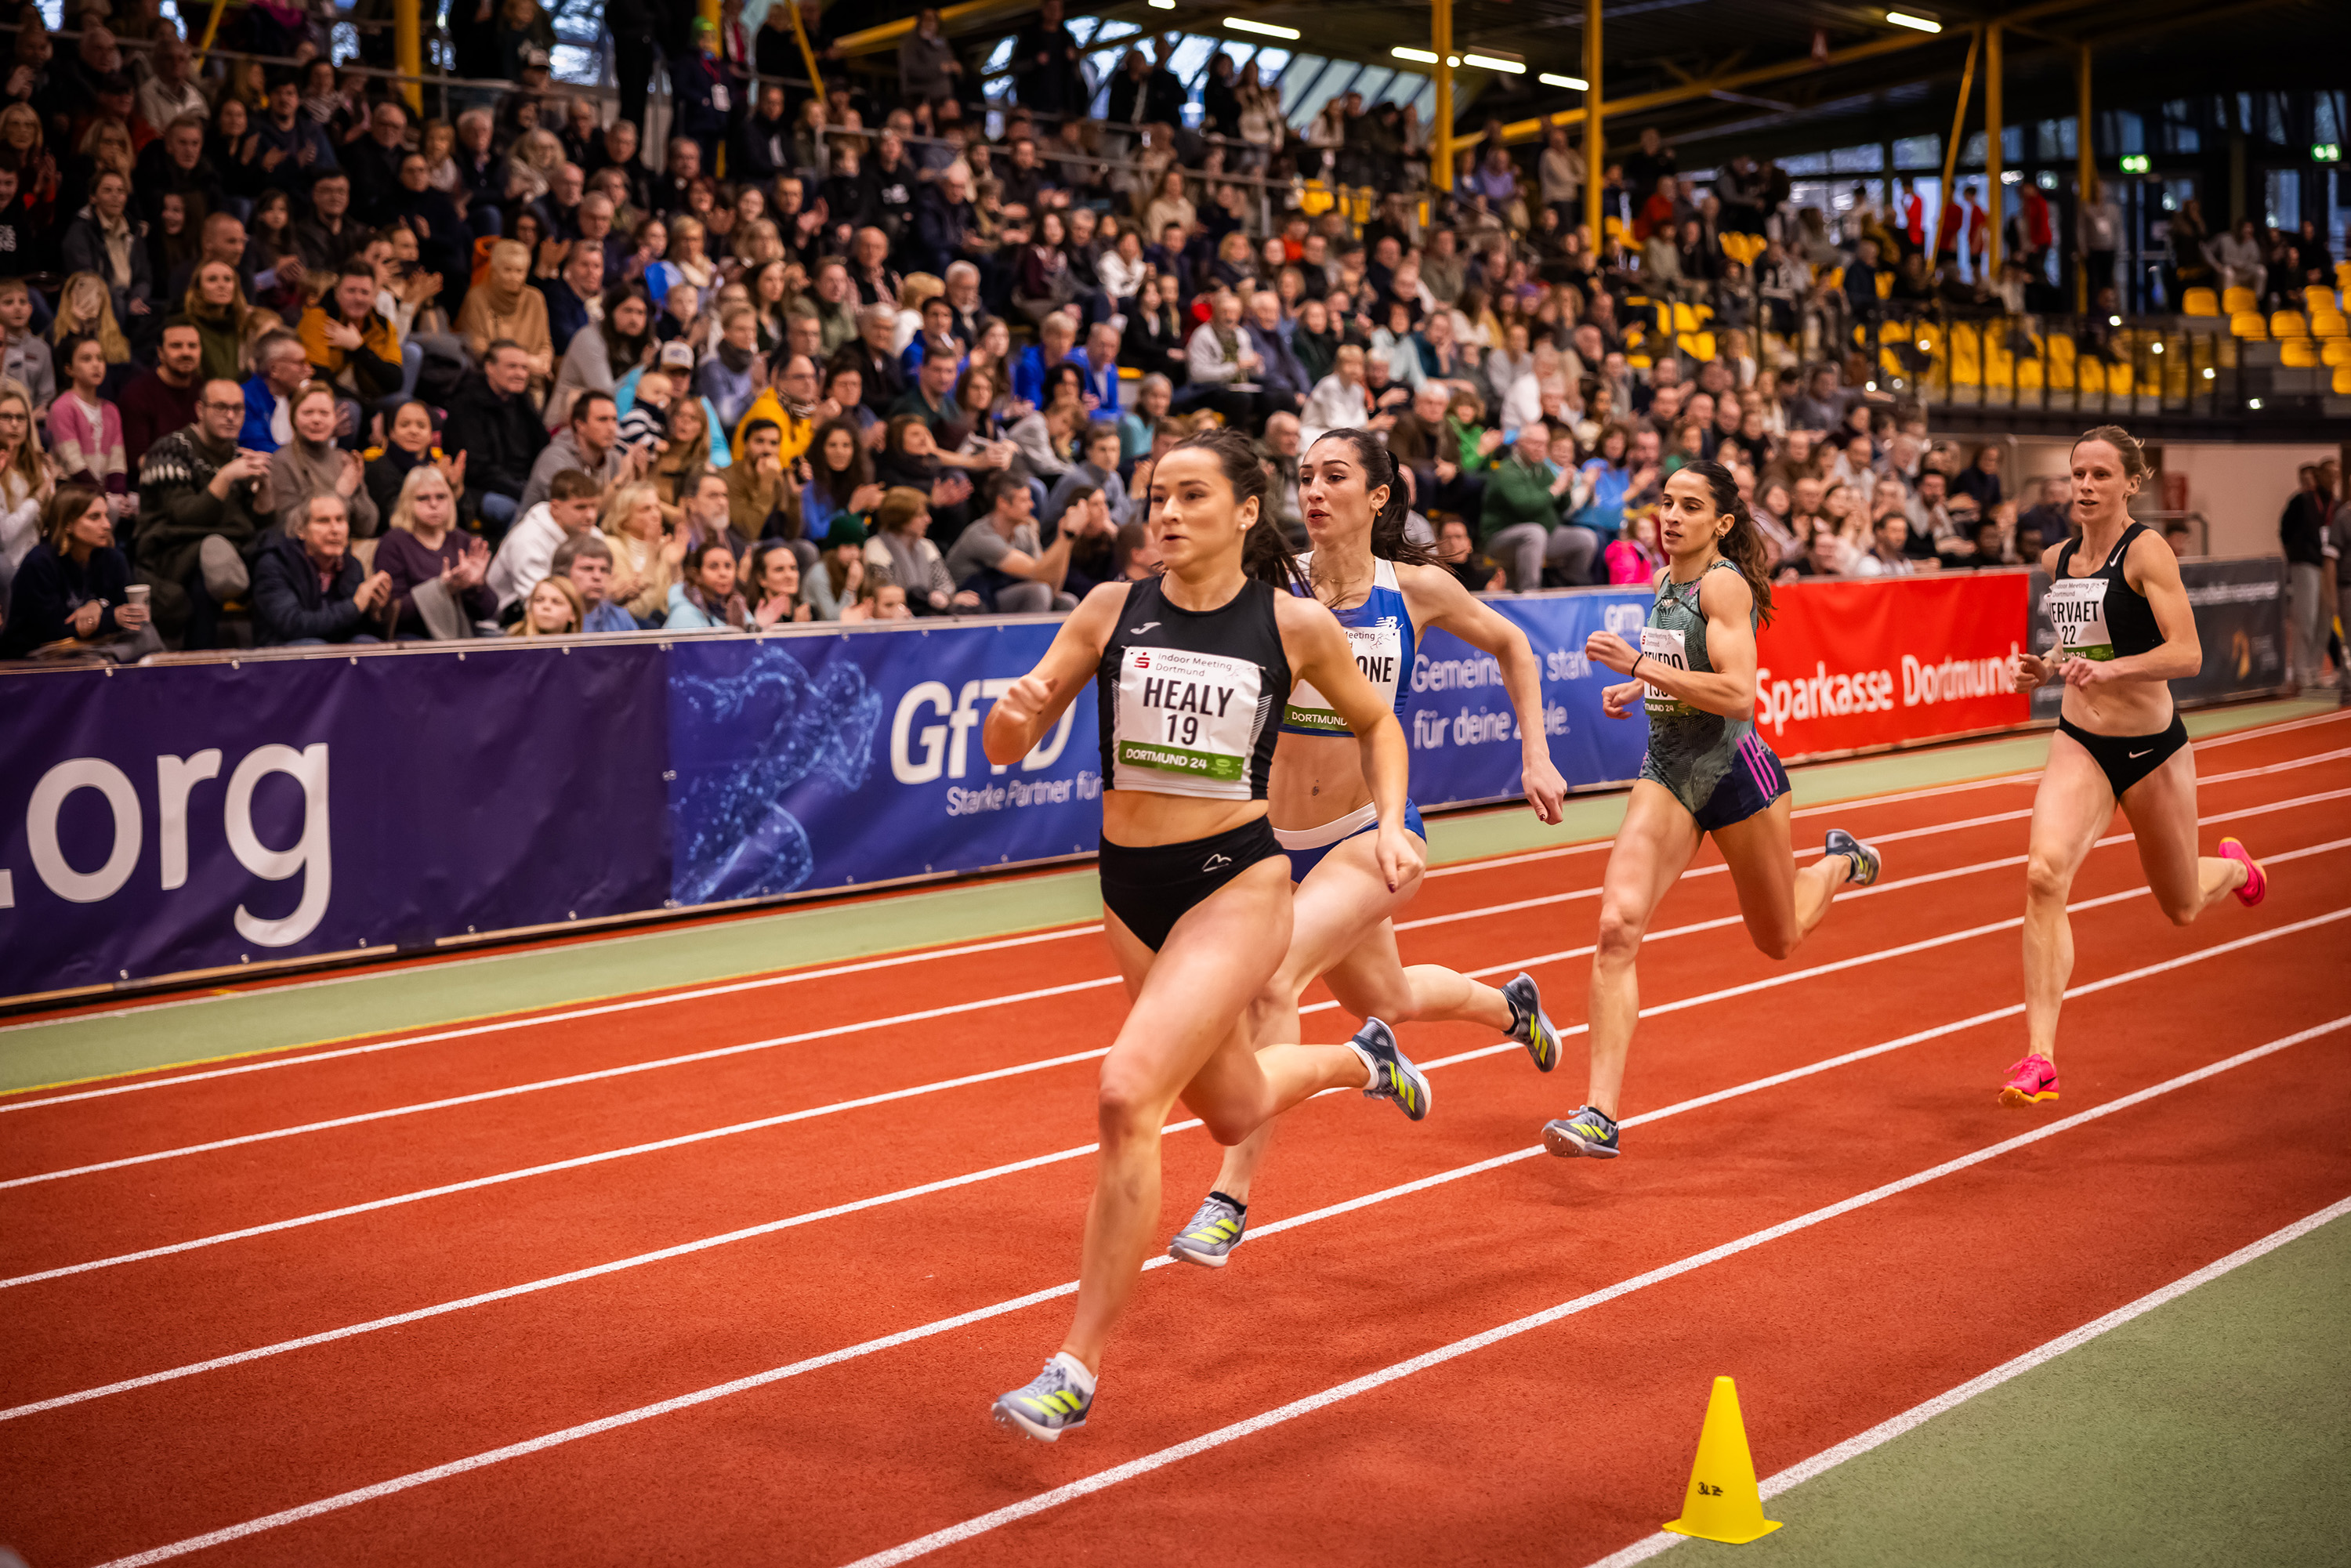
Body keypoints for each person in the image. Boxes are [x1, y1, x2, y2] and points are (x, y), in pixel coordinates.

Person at [980, 426, 1424, 1440]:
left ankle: (1073, 1367)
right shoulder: (1109, 609)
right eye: (1155, 496)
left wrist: (1391, 822)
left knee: (1130, 1091)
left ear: (1243, 511)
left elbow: (1377, 721)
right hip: (1128, 888)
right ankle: (1364, 1062)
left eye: (1189, 496)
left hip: (1237, 881)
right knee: (1233, 1105)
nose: (1167, 514)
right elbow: (1010, 743)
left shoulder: (1295, 624)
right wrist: (1016, 713)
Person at [1165, 429, 1570, 1268]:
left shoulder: (1415, 589)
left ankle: (1228, 1198)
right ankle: (1511, 1009)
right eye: (1305, 477)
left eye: (1335, 477)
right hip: (1270, 841)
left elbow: (1513, 645)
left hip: (1372, 834)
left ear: (1379, 495)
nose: (1314, 491)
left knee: (1272, 978)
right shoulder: (1268, 583)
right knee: (1388, 994)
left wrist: (1535, 753)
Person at [1541, 460, 1880, 1161]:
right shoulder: (1666, 579)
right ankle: (1600, 1113)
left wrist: (1638, 669)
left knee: (1779, 938)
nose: (1670, 515)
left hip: (1734, 773)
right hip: (1666, 770)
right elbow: (1685, 668)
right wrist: (1646, 695)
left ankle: (1842, 860)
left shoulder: (1722, 584)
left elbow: (1737, 694)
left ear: (1721, 523)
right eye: (1666, 501)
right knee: (1615, 926)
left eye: (1689, 505)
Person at [1998, 427, 2267, 1107]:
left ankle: (2236, 868)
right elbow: (2077, 646)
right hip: (2081, 743)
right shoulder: (2058, 557)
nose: (2083, 486)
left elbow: (2187, 654)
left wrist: (2111, 668)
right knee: (2041, 875)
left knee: (2179, 905)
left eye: (2099, 475)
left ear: (2130, 484)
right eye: (2076, 473)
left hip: (2152, 750)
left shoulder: (2147, 551)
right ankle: (2039, 1057)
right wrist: (2046, 668)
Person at [0, 484, 151, 658]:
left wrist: (98, 605)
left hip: (93, 647)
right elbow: (51, 632)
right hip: (37, 659)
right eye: (95, 517)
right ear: (68, 524)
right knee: (104, 661)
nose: (107, 525)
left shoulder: (113, 559)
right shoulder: (40, 563)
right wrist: (108, 620)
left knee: (146, 634)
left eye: (106, 516)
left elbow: (123, 610)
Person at [251, 492, 392, 646]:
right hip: (282, 653)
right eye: (323, 521)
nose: (335, 529)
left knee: (368, 645)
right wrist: (354, 606)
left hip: (332, 650)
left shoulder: (352, 565)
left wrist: (375, 613)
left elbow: (356, 629)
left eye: (340, 520)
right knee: (314, 648)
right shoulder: (274, 564)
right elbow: (293, 625)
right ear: (301, 530)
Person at [372, 462, 492, 639]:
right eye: (423, 498)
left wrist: (477, 586)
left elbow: (488, 611)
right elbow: (389, 614)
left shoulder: (462, 539)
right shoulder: (394, 542)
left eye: (441, 497)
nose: (434, 504)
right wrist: (440, 589)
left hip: (462, 633)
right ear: (407, 502)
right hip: (414, 637)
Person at [1481, 420, 1594, 591]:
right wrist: (1556, 489)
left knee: (1586, 539)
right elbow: (1526, 506)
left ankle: (1571, 590)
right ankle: (1531, 593)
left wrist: (1566, 488)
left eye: (1544, 444)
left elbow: (1562, 509)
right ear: (1520, 444)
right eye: (1535, 443)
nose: (1540, 448)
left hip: (1542, 535)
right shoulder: (1507, 471)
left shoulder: (1541, 469)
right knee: (1534, 533)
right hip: (1501, 538)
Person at [268, 381, 379, 538]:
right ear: (293, 418)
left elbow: (368, 527)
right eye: (308, 413)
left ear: (335, 420)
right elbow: (288, 528)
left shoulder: (344, 460)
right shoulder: (282, 462)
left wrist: (356, 490)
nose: (317, 420)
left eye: (324, 413)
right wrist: (341, 494)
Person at [487, 466, 601, 611]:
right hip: (508, 622)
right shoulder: (527, 539)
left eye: (594, 507)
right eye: (580, 507)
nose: (591, 516)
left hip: (572, 613)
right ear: (555, 508)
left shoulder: (593, 534)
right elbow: (538, 603)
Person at [520, 389, 635, 512]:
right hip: (542, 529)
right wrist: (619, 480)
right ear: (580, 425)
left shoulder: (612, 457)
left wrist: (635, 475)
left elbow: (621, 512)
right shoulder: (555, 459)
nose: (612, 428)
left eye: (614, 420)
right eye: (603, 420)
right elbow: (579, 514)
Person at [664, 536, 751, 630]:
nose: (723, 573)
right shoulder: (684, 614)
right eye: (713, 566)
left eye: (728, 566)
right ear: (697, 575)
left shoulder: (738, 607)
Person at [507, 572, 585, 636]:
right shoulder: (508, 646)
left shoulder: (583, 652)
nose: (546, 606)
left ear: (574, 614)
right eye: (539, 600)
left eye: (556, 602)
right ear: (530, 607)